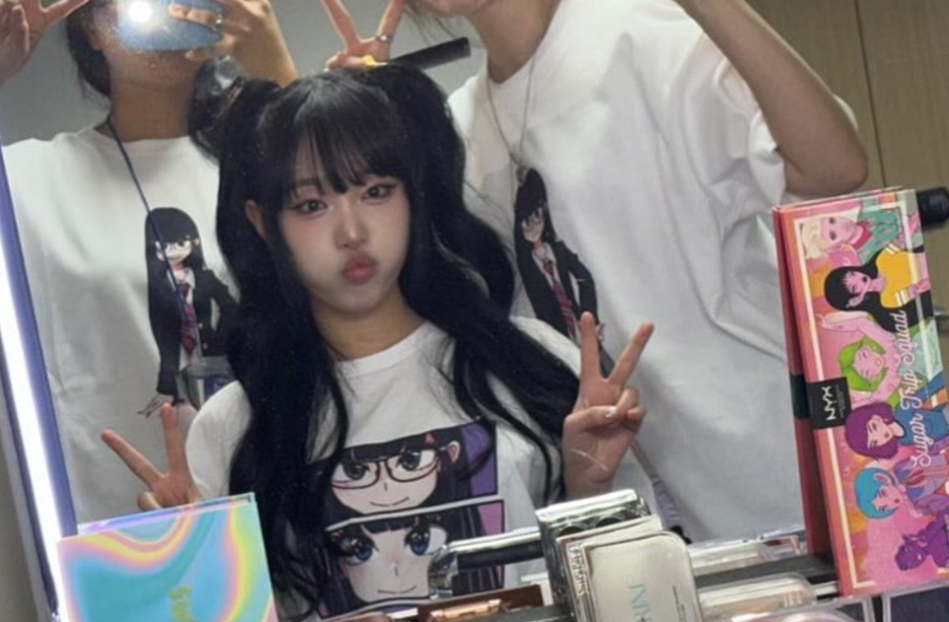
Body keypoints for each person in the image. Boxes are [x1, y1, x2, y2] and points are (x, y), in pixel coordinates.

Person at [102, 65, 654, 621]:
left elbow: (636, 598)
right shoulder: (235, 426)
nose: (352, 232)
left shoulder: (527, 363)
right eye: (311, 205)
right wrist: (185, 571)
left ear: (412, 196)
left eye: (376, 192)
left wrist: (590, 487)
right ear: (264, 224)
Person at [323, 0, 870, 541]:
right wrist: (359, 134)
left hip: (773, 468)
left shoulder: (641, 33)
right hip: (627, 512)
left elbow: (833, 169)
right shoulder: (464, 125)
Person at [0, 0, 296, 523]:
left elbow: (353, 217)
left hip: (284, 502)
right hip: (123, 522)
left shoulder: (268, 168)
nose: (160, 12)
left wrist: (274, 68)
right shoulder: (32, 177)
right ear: (91, 29)